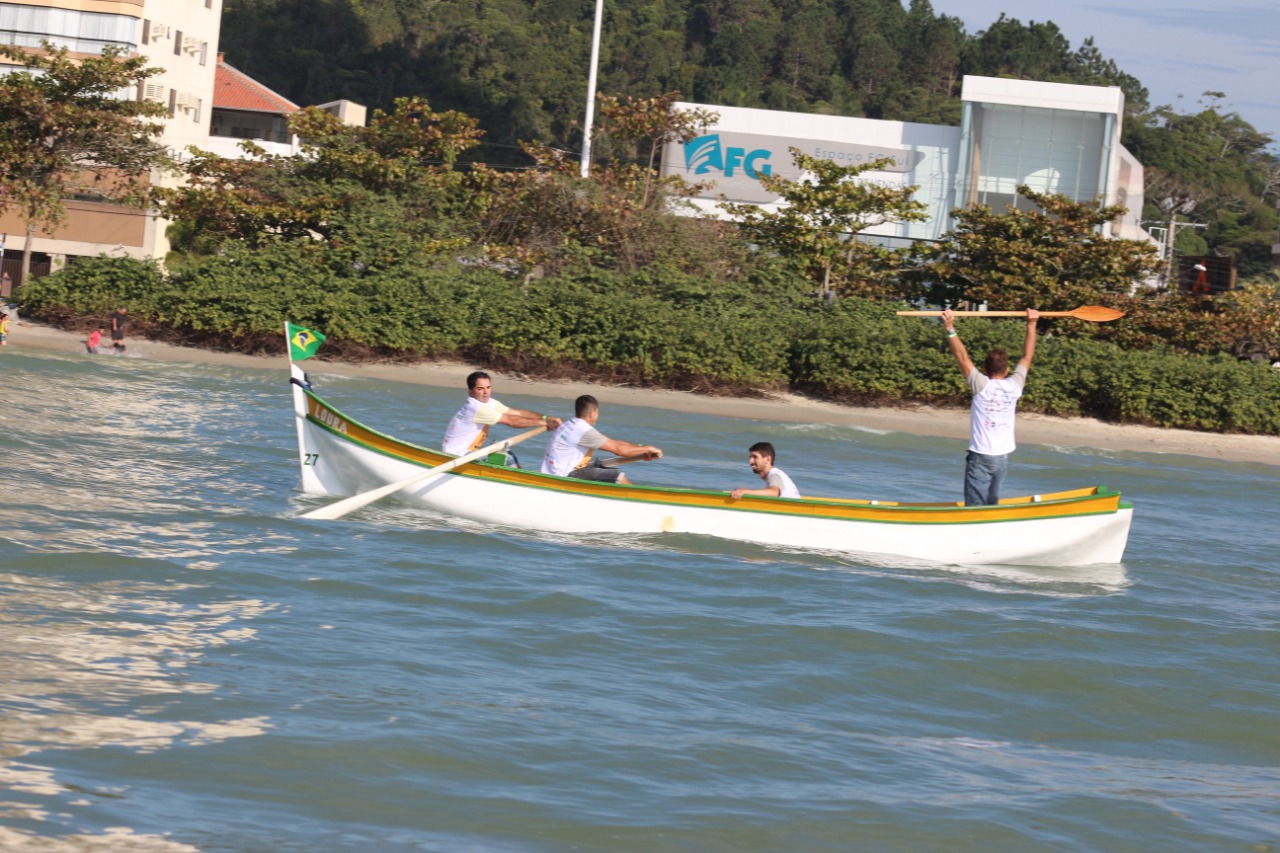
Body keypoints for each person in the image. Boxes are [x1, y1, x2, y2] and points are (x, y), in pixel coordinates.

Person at [941, 307, 1040, 506]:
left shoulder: (980, 385)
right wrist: (1032, 323)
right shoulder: (1015, 385)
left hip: (980, 458)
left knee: (975, 509)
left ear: (985, 369)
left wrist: (950, 328)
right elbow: (1027, 356)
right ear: (1007, 369)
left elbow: (962, 357)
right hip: (1001, 459)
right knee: (991, 505)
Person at [442, 371, 562, 462]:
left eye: (488, 387)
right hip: (455, 457)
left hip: (468, 453)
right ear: (471, 391)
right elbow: (511, 421)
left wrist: (546, 418)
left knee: (507, 456)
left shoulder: (489, 402)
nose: (486, 392)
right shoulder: (476, 408)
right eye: (480, 389)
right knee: (506, 458)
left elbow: (517, 413)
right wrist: (543, 424)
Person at [541, 394, 662, 484]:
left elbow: (614, 443)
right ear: (592, 413)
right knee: (617, 475)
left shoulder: (570, 424)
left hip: (553, 473)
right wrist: (649, 448)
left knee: (602, 469)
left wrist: (641, 450)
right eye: (597, 413)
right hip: (564, 476)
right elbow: (620, 450)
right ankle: (639, 503)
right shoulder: (583, 430)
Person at [730, 441, 800, 499]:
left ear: (767, 459)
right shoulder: (774, 475)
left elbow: (773, 493)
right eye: (750, 457)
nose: (750, 461)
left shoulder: (774, 475)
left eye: (755, 457)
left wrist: (747, 492)